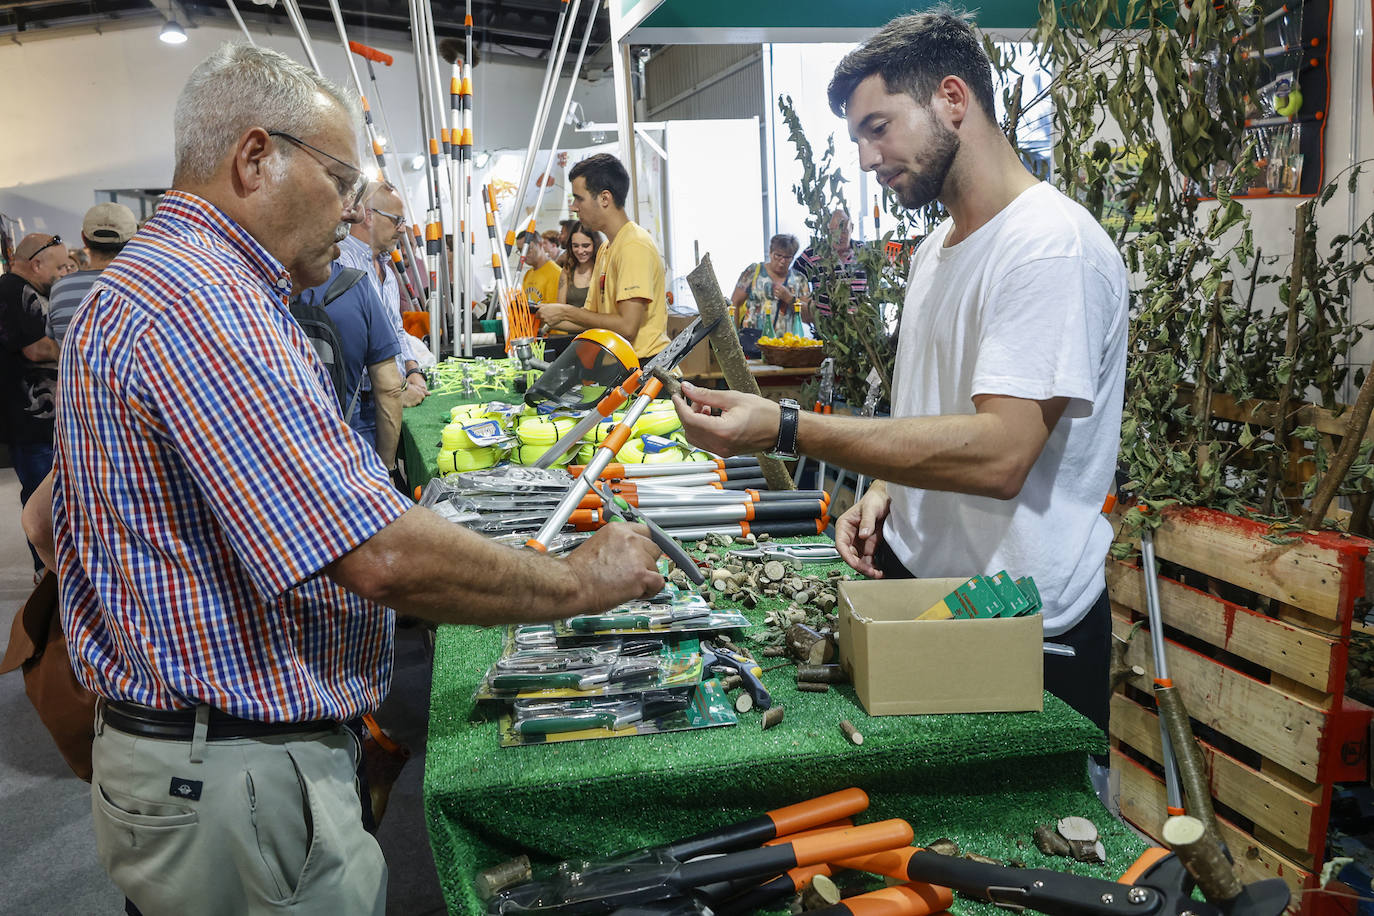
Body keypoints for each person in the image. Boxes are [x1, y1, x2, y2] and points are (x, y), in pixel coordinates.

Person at [22, 43, 661, 916]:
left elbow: (44, 520)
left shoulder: (139, 290)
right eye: (340, 180)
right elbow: (380, 560)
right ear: (255, 158)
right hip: (236, 778)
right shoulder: (207, 306)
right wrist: (579, 582)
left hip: (189, 764)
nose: (354, 211)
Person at [670, 9, 1128, 740]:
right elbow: (933, 409)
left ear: (953, 99)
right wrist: (887, 490)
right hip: (924, 591)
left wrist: (789, 426)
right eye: (857, 137)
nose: (864, 159)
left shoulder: (1049, 248)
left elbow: (1002, 454)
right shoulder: (934, 251)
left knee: (1011, 844)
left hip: (1015, 623)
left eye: (877, 128)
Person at [537, 153, 670, 359]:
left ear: (605, 198)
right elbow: (591, 318)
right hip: (620, 366)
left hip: (646, 368)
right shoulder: (607, 248)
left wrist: (564, 311)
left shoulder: (634, 245)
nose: (574, 207)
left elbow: (627, 327)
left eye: (579, 198)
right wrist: (542, 314)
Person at [295, 240, 405, 467]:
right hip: (349, 448)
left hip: (286, 452)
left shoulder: (260, 287)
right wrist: (387, 469)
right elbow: (389, 387)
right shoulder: (356, 287)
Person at [1, 231, 68, 571]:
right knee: (44, 500)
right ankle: (48, 573)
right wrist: (80, 347)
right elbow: (37, 347)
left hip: (37, 416)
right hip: (31, 418)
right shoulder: (15, 290)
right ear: (37, 263)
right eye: (59, 268)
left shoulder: (17, 289)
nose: (63, 275)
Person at [341, 181, 428, 407]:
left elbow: (396, 330)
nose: (401, 229)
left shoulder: (387, 274)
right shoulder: (343, 263)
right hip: (361, 402)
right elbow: (354, 343)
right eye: (396, 220)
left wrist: (412, 369)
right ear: (369, 216)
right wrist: (397, 390)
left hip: (391, 395)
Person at [47, 202, 139, 344]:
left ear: (84, 238)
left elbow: (53, 343)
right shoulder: (143, 286)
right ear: (134, 239)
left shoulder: (60, 288)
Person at [792, 208, 868, 321]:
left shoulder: (864, 251)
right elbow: (792, 278)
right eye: (834, 232)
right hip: (826, 328)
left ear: (852, 228)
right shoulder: (813, 253)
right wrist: (806, 304)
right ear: (827, 231)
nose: (839, 237)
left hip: (861, 329)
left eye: (844, 231)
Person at [730, 233, 811, 339]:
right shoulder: (753, 271)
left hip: (785, 345)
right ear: (770, 252)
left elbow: (809, 316)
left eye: (787, 257)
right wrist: (734, 338)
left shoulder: (799, 280)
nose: (782, 261)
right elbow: (734, 303)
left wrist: (790, 299)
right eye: (778, 255)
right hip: (752, 342)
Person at [556, 220, 601, 311]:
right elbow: (560, 309)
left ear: (595, 244)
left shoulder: (602, 269)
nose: (580, 251)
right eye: (575, 246)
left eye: (585, 245)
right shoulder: (567, 270)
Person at [517, 228, 561, 307]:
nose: (523, 255)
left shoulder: (556, 273)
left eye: (528, 249)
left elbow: (554, 311)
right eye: (520, 251)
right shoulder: (528, 274)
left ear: (540, 245)